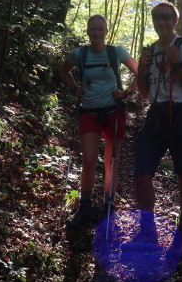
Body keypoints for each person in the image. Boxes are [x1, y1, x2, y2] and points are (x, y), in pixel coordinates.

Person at [134, 1, 182, 244]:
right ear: (153, 22)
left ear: (175, 21)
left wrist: (178, 64)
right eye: (157, 18)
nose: (162, 22)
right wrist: (141, 71)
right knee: (141, 173)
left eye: (167, 17)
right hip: (155, 115)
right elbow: (144, 92)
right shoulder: (150, 50)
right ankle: (147, 228)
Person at [59, 15, 138, 227]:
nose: (97, 33)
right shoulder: (79, 54)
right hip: (89, 111)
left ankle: (109, 206)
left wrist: (128, 92)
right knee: (89, 159)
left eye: (100, 29)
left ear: (106, 31)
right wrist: (74, 88)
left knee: (111, 161)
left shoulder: (116, 52)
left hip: (114, 111)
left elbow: (139, 72)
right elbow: (64, 70)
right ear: (87, 31)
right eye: (93, 29)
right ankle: (85, 206)